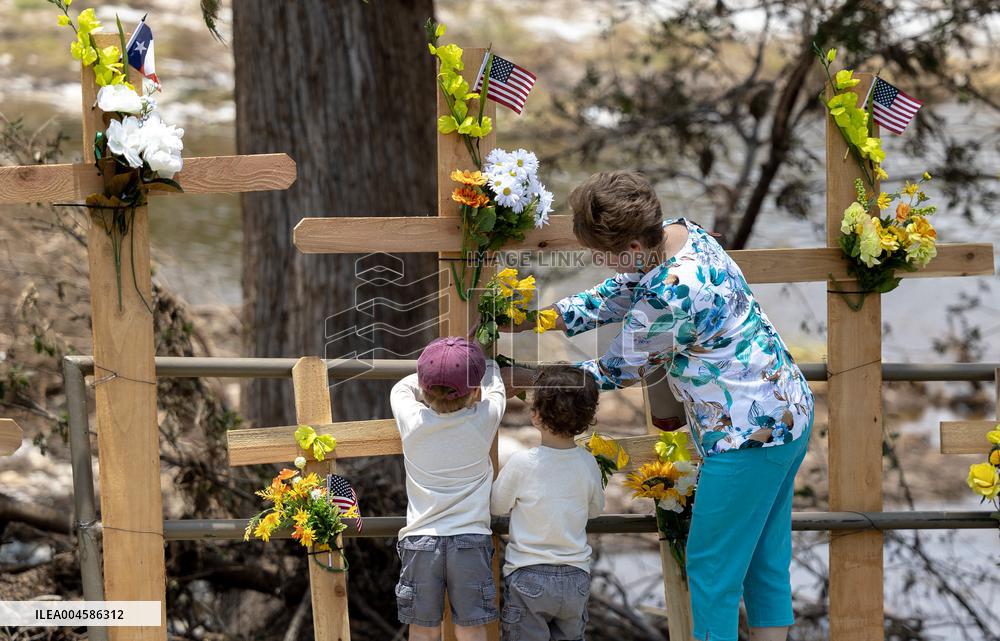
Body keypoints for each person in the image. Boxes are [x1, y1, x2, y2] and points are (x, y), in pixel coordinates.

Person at [503, 171, 815, 641]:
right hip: (789, 409)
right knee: (764, 560)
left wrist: (528, 378)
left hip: (747, 436)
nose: (597, 261)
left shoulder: (671, 293)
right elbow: (620, 291)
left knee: (710, 569)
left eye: (602, 254)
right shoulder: (681, 233)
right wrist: (540, 319)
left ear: (632, 245)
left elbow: (617, 368)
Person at [390, 336, 507, 641]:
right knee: (471, 627)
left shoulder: (412, 419)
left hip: (420, 540)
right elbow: (495, 382)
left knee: (422, 629)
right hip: (471, 540)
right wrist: (482, 358)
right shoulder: (484, 418)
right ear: (474, 391)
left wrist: (432, 374)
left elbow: (401, 388)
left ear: (424, 388)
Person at [490, 364, 605, 641]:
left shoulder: (522, 463)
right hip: (576, 576)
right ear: (586, 418)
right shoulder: (588, 463)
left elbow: (497, 506)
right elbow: (595, 510)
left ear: (536, 415)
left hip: (528, 573)